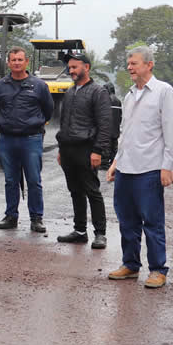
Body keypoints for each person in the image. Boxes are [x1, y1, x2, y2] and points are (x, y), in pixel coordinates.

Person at [107, 46, 173, 288]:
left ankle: (158, 269)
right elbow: (124, 133)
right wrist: (116, 161)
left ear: (149, 65)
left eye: (134, 63)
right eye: (129, 64)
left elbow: (170, 132)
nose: (129, 67)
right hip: (126, 167)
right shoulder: (129, 96)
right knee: (126, 220)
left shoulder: (163, 92)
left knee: (152, 220)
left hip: (150, 168)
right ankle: (130, 265)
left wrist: (167, 166)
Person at [55, 53, 113, 249]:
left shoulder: (99, 92)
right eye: (69, 68)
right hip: (68, 149)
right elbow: (64, 123)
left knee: (92, 191)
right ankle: (80, 231)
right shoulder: (70, 92)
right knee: (75, 191)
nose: (71, 71)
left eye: (75, 67)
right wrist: (61, 150)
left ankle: (100, 233)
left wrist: (98, 151)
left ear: (86, 67)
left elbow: (105, 125)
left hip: (87, 149)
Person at [0, 46, 53, 233]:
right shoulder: (1, 86)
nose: (17, 63)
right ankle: (11, 216)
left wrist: (34, 125)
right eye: (13, 60)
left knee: (34, 180)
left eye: (20, 60)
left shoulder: (39, 86)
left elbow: (48, 110)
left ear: (26, 62)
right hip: (7, 139)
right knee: (10, 180)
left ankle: (37, 218)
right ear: (8, 62)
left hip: (31, 139)